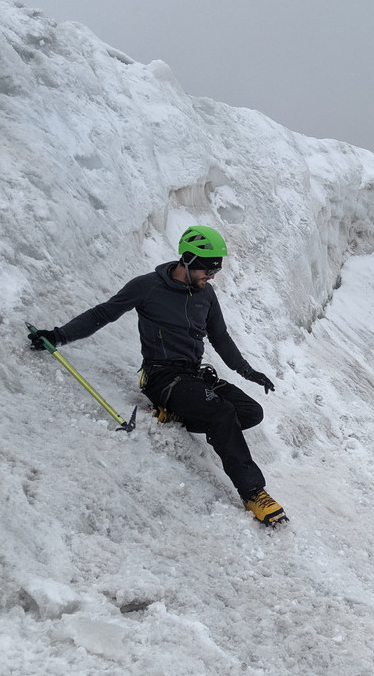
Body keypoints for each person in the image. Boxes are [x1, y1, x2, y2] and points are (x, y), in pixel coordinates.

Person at [29, 225, 287, 526]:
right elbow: (103, 314)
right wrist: (58, 335)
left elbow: (220, 336)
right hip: (163, 377)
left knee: (251, 412)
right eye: (208, 270)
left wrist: (247, 371)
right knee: (221, 412)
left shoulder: (206, 294)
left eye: (215, 271)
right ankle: (254, 493)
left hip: (194, 376)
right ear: (187, 260)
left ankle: (175, 415)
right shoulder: (148, 287)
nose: (212, 277)